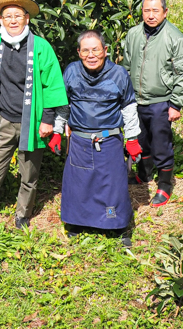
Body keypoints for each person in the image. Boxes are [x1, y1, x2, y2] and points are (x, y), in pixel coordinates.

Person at [0, 0, 69, 229]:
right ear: (0, 20)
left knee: (29, 174)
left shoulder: (41, 46)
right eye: (7, 16)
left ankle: (22, 214)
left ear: (26, 18)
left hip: (33, 122)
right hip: (3, 121)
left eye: (17, 15)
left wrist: (48, 120)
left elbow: (52, 85)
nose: (12, 20)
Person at [54, 30, 140, 246]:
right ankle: (76, 222)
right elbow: (64, 105)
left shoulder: (119, 74)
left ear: (105, 51)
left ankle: (119, 225)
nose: (91, 55)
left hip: (109, 140)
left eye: (95, 50)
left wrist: (132, 139)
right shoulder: (72, 71)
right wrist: (57, 130)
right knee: (78, 183)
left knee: (113, 184)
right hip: (80, 141)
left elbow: (128, 107)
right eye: (85, 51)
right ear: (78, 52)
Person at [121, 0, 183, 207]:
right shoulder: (134, 34)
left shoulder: (175, 37)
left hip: (161, 100)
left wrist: (176, 103)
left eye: (155, 11)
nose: (151, 15)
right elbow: (126, 65)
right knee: (140, 138)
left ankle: (165, 184)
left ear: (165, 12)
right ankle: (143, 174)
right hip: (136, 99)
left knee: (161, 144)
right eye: (147, 11)